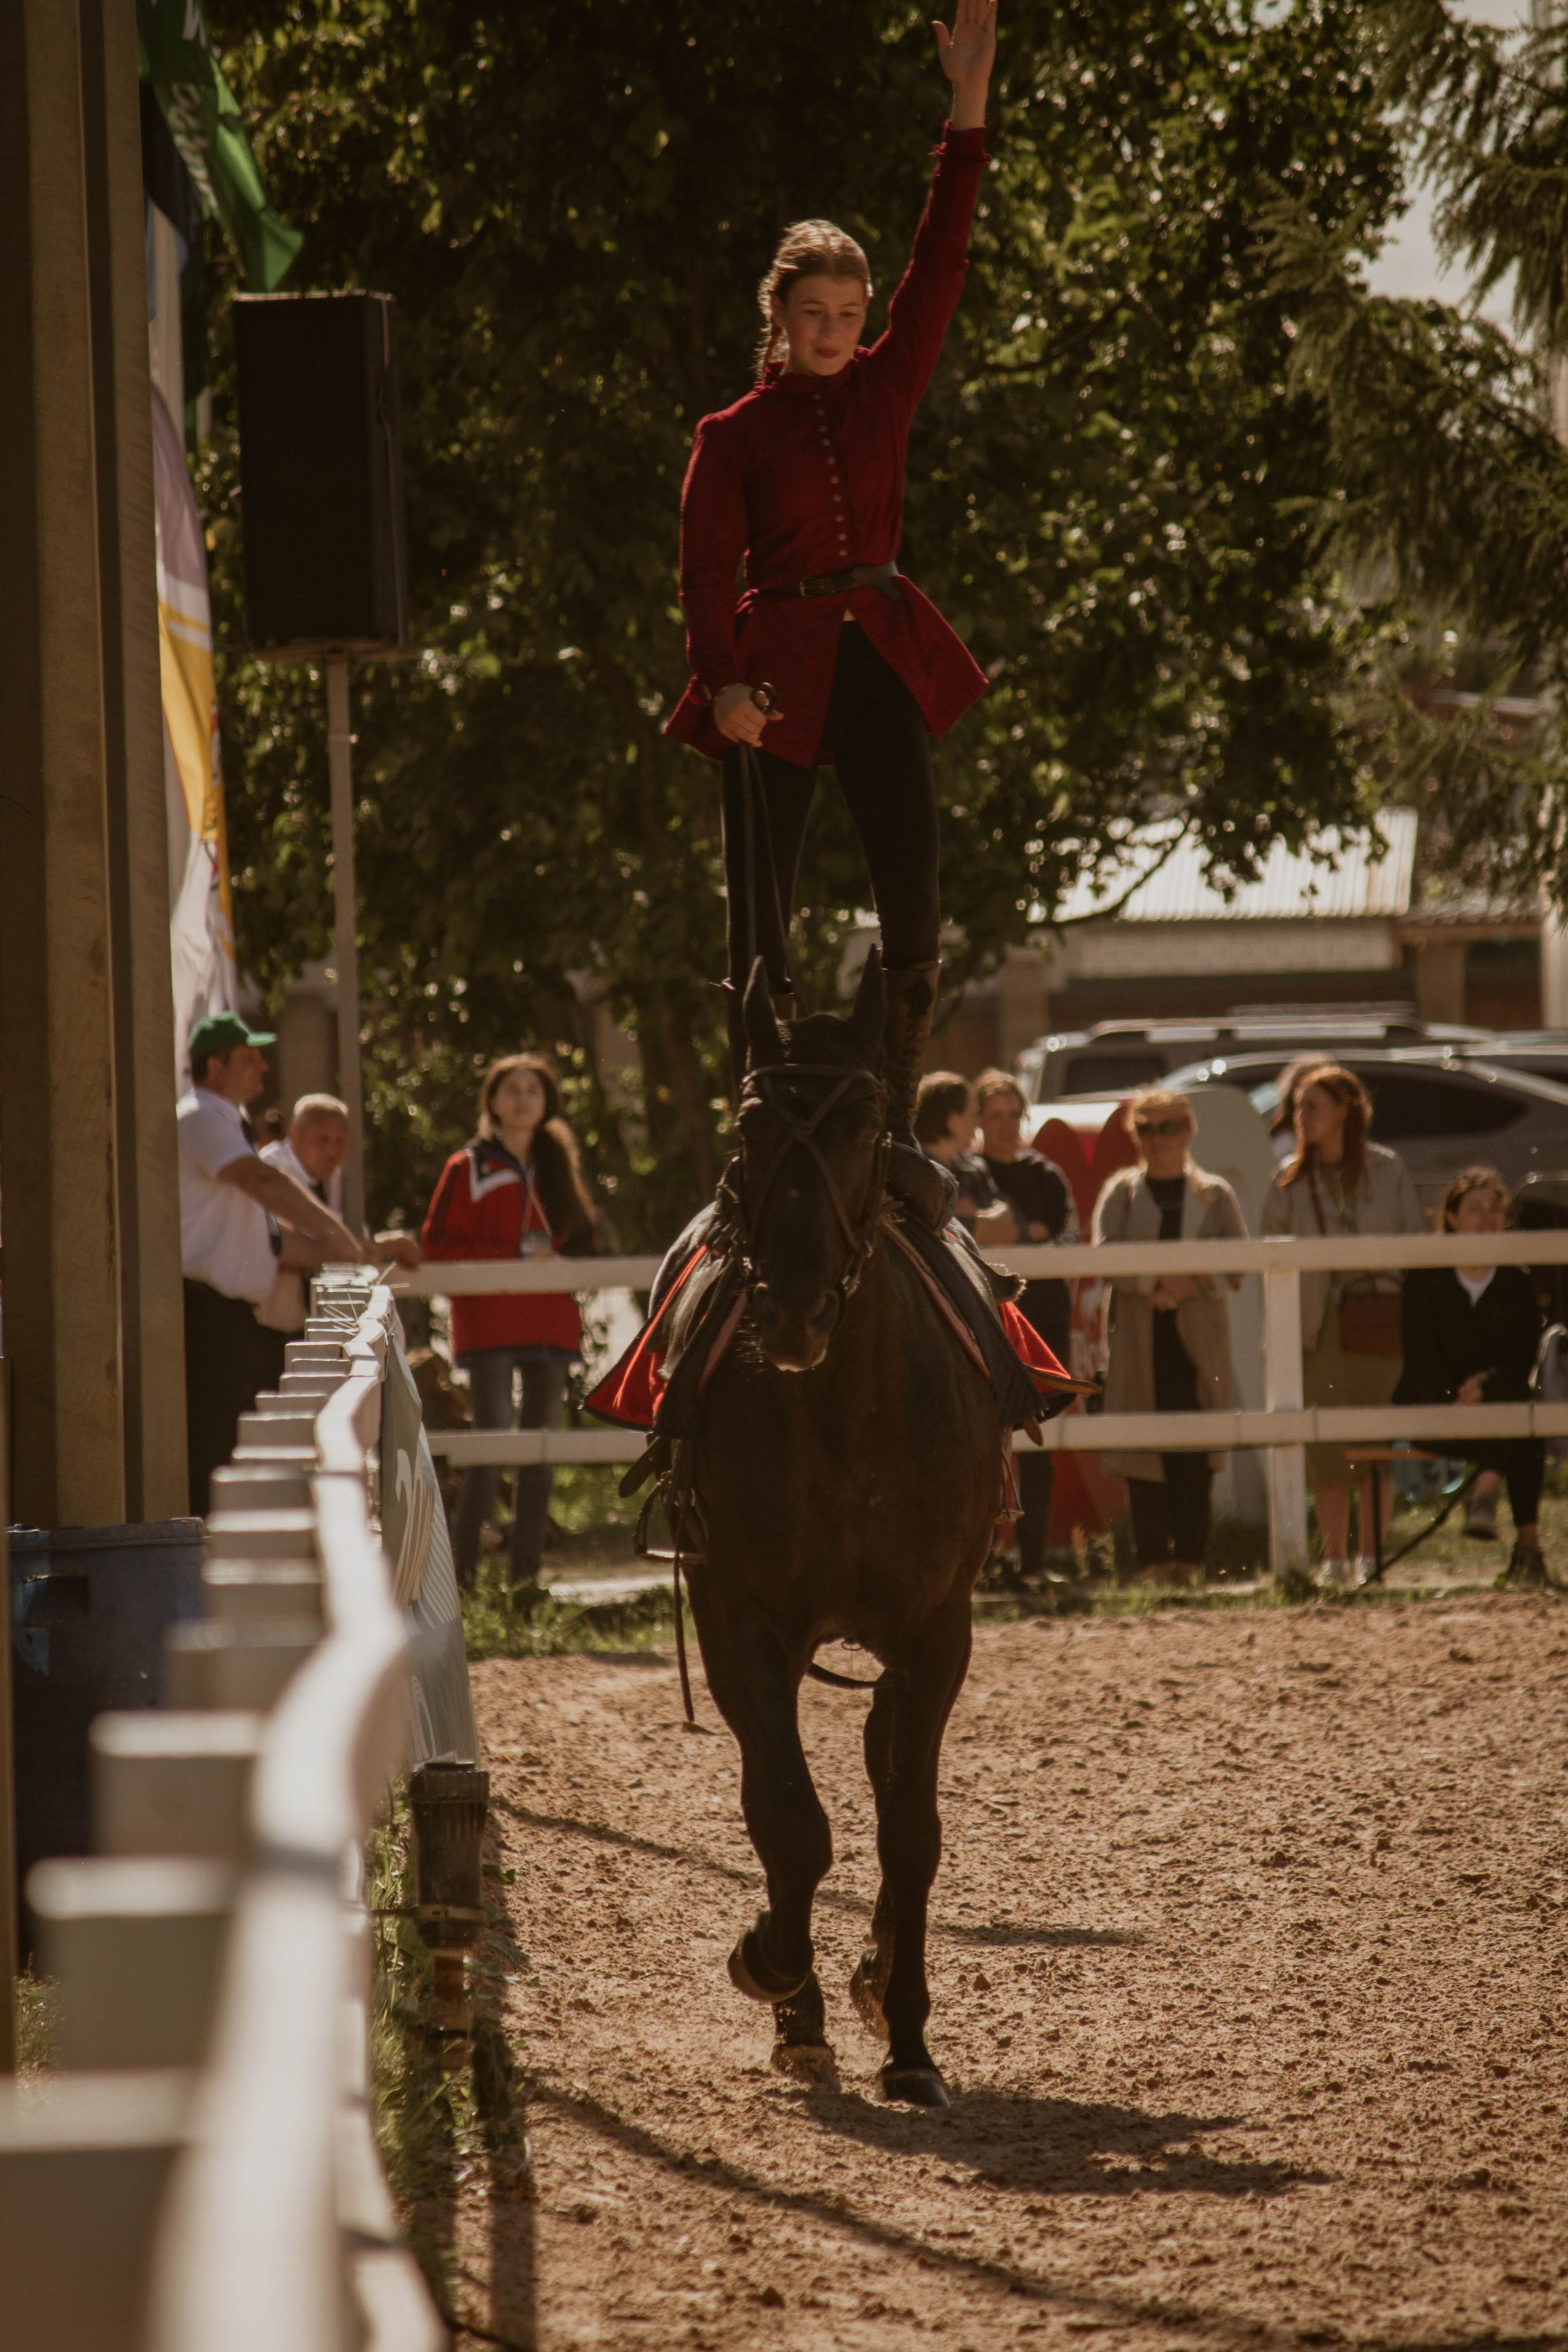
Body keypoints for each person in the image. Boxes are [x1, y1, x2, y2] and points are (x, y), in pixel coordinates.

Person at [665, 0, 998, 1227]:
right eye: (815, 314)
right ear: (779, 315)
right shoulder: (732, 434)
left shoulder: (884, 384)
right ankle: (758, 1121)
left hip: (880, 658)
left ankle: (894, 1117)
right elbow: (704, 575)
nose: (836, 331)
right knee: (760, 926)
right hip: (771, 678)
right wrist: (721, 687)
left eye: (850, 315)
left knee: (915, 897)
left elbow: (941, 261)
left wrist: (966, 108)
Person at [179, 1014, 371, 1513]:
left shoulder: (224, 1123)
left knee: (226, 1448)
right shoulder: (201, 1117)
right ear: (216, 1067)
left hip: (227, 1315)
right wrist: (335, 1233)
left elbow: (269, 1239)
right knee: (212, 1453)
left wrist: (340, 1250)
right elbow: (260, 1181)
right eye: (250, 1058)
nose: (264, 1067)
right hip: (205, 1311)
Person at [421, 1054, 598, 1596]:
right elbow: (438, 1246)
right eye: (512, 1089)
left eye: (534, 1090)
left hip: (551, 1323)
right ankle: (461, 1585)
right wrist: (513, 1257)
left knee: (540, 1456)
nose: (523, 1098)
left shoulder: (558, 1166)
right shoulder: (467, 1167)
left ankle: (525, 1586)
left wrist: (561, 1263)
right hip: (490, 1323)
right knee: (491, 1450)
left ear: (548, 1104)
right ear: (492, 1102)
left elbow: (584, 1245)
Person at [1261, 1062, 1425, 1587]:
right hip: (1316, 1328)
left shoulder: (1389, 1170)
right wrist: (1274, 1333)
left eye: (1312, 1106)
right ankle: (1333, 1563)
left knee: (1376, 1447)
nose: (1301, 1117)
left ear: (1345, 1110)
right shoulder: (1287, 1180)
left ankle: (1372, 1561)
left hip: (1379, 1320)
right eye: (1297, 1108)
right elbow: (1268, 1264)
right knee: (1327, 1451)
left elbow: (1416, 1245)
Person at [1093, 1090, 1246, 1584]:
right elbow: (1105, 1256)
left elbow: (1239, 1264)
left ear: (1187, 1131)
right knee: (1142, 1450)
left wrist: (1191, 1284)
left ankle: (1191, 1564)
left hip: (1198, 1342)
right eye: (1146, 1129)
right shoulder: (1121, 1193)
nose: (1157, 1139)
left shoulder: (1216, 1195)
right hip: (1140, 1340)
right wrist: (1153, 1283)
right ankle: (1152, 1565)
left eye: (1167, 1128)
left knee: (1196, 1452)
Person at [1395, 1167, 1551, 1588]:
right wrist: (1458, 1393)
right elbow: (1419, 1355)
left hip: (1496, 1405)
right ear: (1451, 1218)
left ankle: (1523, 1545)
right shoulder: (1427, 1277)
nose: (1487, 1217)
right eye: (1475, 1208)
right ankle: (1505, 1518)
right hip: (1435, 1410)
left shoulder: (1515, 1281)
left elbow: (1523, 1357)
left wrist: (1486, 1388)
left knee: (1522, 1423)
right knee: (1519, 1431)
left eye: (1494, 1208)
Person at [974, 1069, 1079, 1579]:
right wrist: (1022, 1234)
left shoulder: (1045, 1175)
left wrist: (1028, 1240)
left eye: (1013, 1115)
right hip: (985, 1321)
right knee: (981, 1444)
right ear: (978, 1120)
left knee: (1038, 1446)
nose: (1005, 1125)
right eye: (994, 1116)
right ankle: (983, 1563)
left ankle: (1032, 1564)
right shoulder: (967, 1175)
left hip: (1040, 1322)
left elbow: (1068, 1237)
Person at [258, 1095, 421, 1336]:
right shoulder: (271, 1167)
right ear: (294, 1135)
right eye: (322, 1140)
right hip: (266, 1319)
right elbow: (319, 1243)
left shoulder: (334, 1175)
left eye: (340, 1142)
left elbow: (349, 1239)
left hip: (309, 1314)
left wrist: (383, 1245)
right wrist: (392, 1246)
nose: (332, 1150)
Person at [914, 1072, 1019, 1245]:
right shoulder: (917, 1177)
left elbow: (1011, 1220)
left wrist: (976, 1218)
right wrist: (982, 1224)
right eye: (972, 1115)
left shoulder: (973, 1170)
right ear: (954, 1122)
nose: (977, 1123)